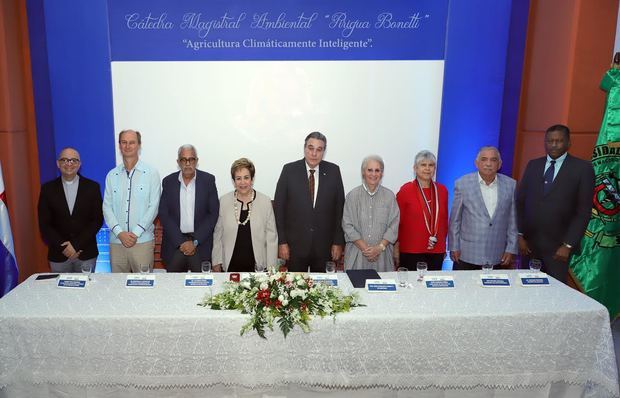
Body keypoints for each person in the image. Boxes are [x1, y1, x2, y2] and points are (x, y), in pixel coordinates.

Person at [516, 124, 595, 283]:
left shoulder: (582, 169)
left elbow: (583, 211)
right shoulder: (533, 165)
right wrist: (519, 235)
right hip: (529, 247)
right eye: (550, 141)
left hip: (559, 249)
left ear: (568, 143)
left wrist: (568, 245)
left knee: (556, 295)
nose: (553, 145)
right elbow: (520, 203)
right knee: (526, 291)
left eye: (559, 141)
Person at [274, 131, 345, 272]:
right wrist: (282, 242)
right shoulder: (289, 170)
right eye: (311, 148)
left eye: (319, 150)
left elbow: (340, 209)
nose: (314, 154)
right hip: (294, 247)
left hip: (324, 248)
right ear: (304, 148)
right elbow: (279, 208)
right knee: (294, 291)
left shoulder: (333, 171)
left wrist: (338, 242)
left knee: (322, 292)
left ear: (324, 152)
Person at [448, 146, 518, 270]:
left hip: (498, 254)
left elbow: (512, 220)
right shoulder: (462, 183)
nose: (488, 164)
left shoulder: (510, 184)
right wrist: (454, 246)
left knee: (495, 289)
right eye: (484, 159)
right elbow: (455, 220)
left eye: (493, 160)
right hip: (467, 254)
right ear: (477, 163)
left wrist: (511, 248)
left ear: (500, 164)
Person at [103, 129, 161, 273]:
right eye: (124, 142)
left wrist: (135, 233)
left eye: (132, 142)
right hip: (117, 242)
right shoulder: (112, 175)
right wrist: (119, 233)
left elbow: (154, 207)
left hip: (142, 242)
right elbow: (106, 207)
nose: (127, 146)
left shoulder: (151, 173)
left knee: (143, 288)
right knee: (118, 289)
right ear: (119, 145)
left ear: (139, 145)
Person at [38, 147, 103, 273]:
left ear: (79, 164)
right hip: (58, 254)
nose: (69, 163)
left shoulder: (92, 187)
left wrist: (75, 245)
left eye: (74, 160)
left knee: (87, 292)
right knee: (60, 292)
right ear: (58, 163)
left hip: (86, 253)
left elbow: (97, 220)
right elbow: (44, 224)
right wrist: (65, 247)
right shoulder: (47, 189)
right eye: (65, 160)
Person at [158, 145, 219, 272]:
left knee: (202, 288)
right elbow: (164, 214)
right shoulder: (168, 182)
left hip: (200, 244)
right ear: (178, 162)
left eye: (191, 159)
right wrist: (181, 242)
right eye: (183, 160)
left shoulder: (208, 180)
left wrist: (195, 242)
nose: (187, 163)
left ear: (196, 161)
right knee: (173, 287)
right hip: (175, 244)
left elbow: (213, 214)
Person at [212, 158, 278, 272]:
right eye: (238, 178)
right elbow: (218, 234)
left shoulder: (265, 201)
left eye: (246, 177)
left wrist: (271, 268)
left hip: (257, 266)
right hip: (230, 263)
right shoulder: (224, 201)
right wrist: (216, 261)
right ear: (233, 181)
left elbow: (271, 238)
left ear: (252, 179)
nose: (242, 182)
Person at [342, 155, 399, 271]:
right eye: (370, 170)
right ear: (363, 172)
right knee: (355, 289)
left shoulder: (389, 196)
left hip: (382, 256)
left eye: (377, 170)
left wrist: (379, 247)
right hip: (357, 254)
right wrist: (365, 249)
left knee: (381, 288)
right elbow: (347, 225)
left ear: (382, 173)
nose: (373, 174)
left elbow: (394, 225)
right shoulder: (352, 196)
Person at [395, 150, 448, 271]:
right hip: (411, 249)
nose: (427, 169)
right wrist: (396, 247)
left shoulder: (442, 190)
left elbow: (444, 221)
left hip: (436, 249)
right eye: (423, 165)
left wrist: (443, 247)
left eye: (431, 165)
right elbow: (397, 221)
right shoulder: (406, 190)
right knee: (411, 286)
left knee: (432, 287)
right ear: (415, 168)